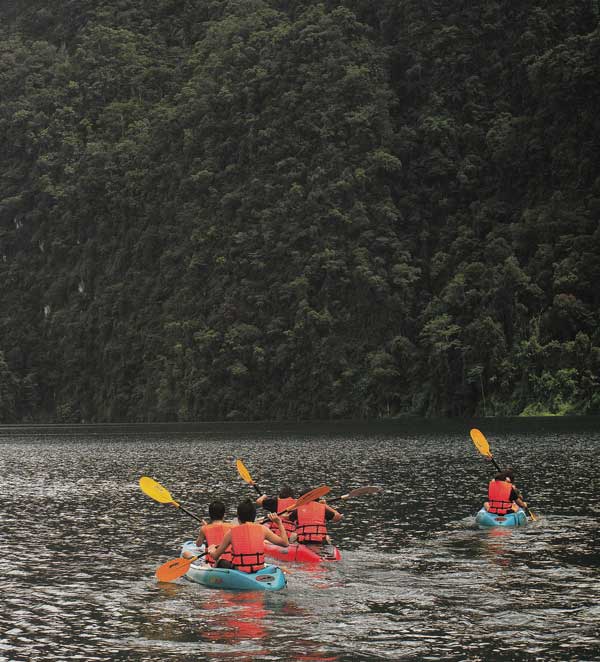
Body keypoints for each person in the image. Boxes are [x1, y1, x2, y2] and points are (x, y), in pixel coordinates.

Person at [208, 499, 289, 572]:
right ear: (254, 516)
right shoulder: (263, 529)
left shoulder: (231, 533)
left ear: (238, 517)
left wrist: (211, 550)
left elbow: (215, 556)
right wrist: (279, 523)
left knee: (220, 561)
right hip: (259, 570)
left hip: (239, 571)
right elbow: (285, 543)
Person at [182, 500, 233, 565]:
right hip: (230, 562)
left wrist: (204, 528)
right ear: (223, 514)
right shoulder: (232, 527)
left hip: (212, 564)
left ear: (210, 514)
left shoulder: (204, 529)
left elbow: (198, 544)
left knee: (185, 553)